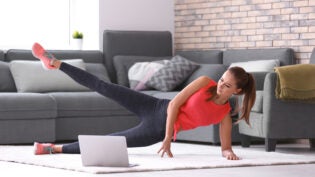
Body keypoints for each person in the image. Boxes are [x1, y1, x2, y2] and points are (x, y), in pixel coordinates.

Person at [32, 43, 256, 160]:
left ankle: (52, 149)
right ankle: (55, 63)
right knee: (105, 86)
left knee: (110, 142)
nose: (220, 85)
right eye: (222, 79)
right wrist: (169, 138)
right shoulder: (206, 82)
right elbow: (175, 104)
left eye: (226, 85)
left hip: (155, 129)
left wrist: (228, 152)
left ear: (237, 91)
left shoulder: (224, 115)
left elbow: (226, 147)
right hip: (155, 106)